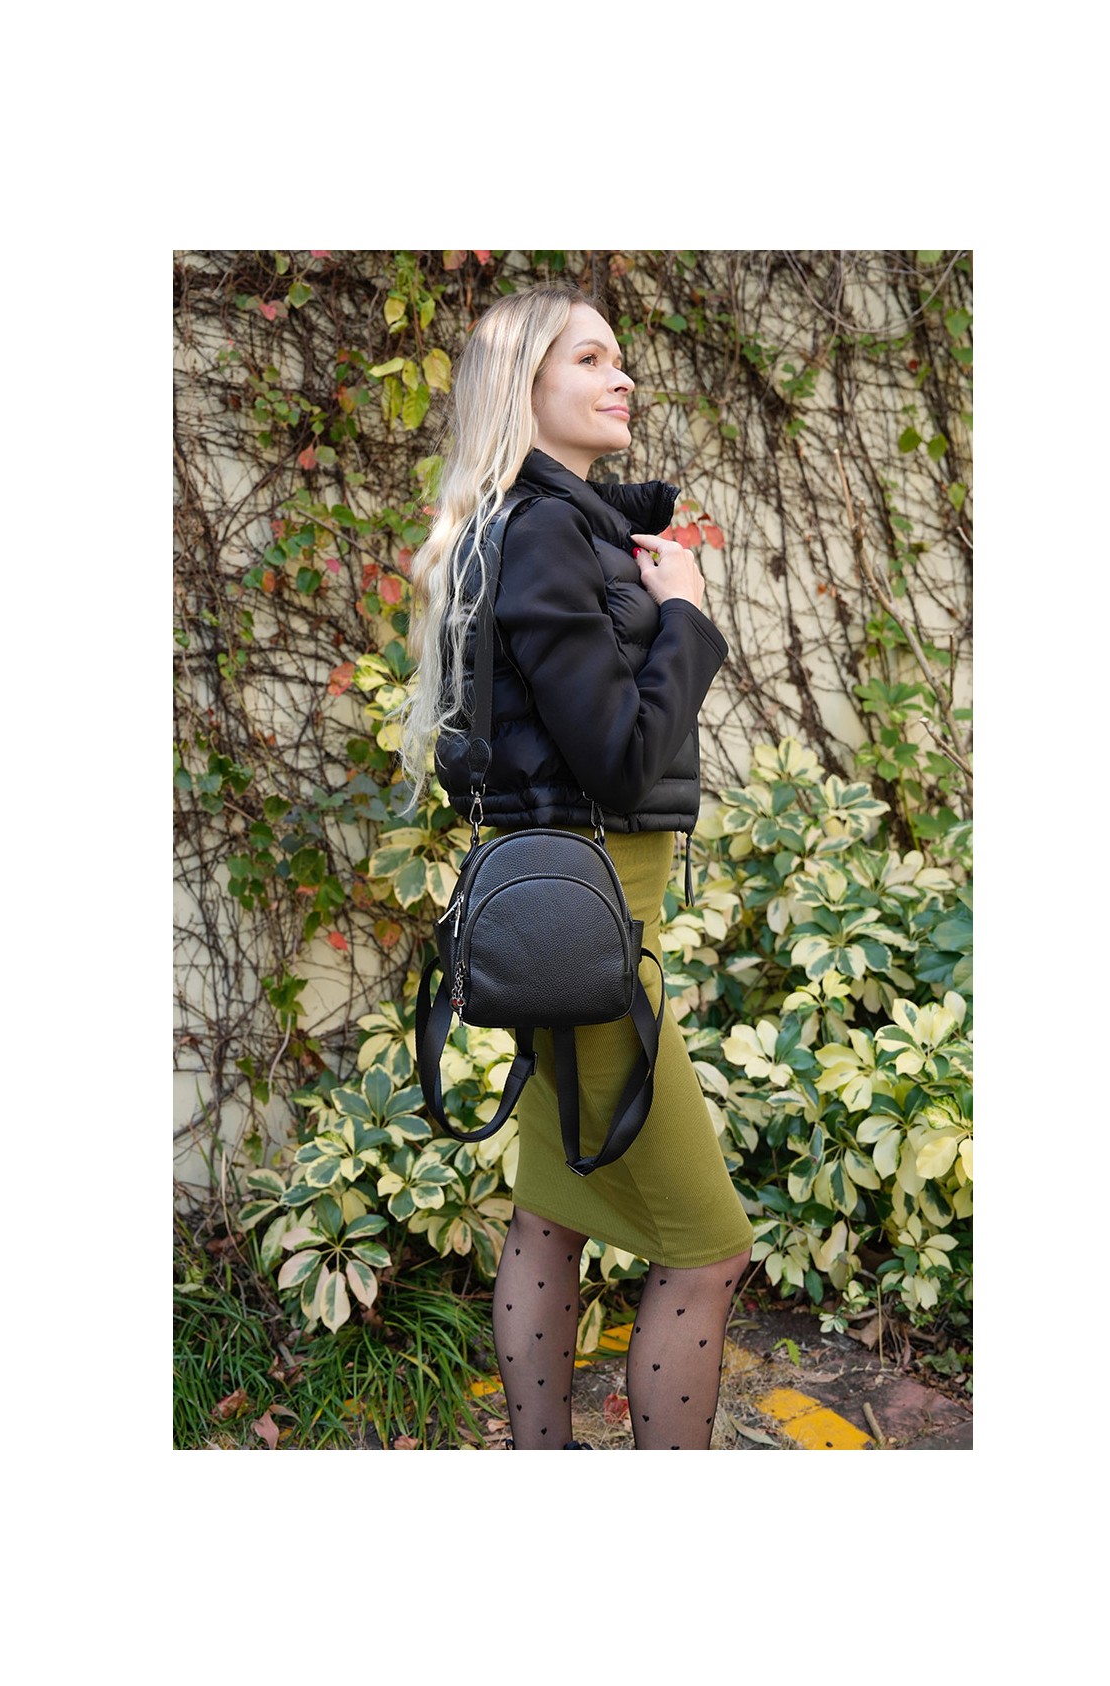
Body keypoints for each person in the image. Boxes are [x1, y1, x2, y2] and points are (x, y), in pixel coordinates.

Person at [397, 279, 752, 1450]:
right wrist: (684, 615)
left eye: (619, 357)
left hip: (575, 917)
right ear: (524, 385)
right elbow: (615, 754)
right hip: (598, 933)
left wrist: (642, 549)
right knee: (706, 1248)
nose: (621, 376)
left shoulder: (539, 523)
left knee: (550, 1214)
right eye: (589, 359)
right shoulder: (546, 531)